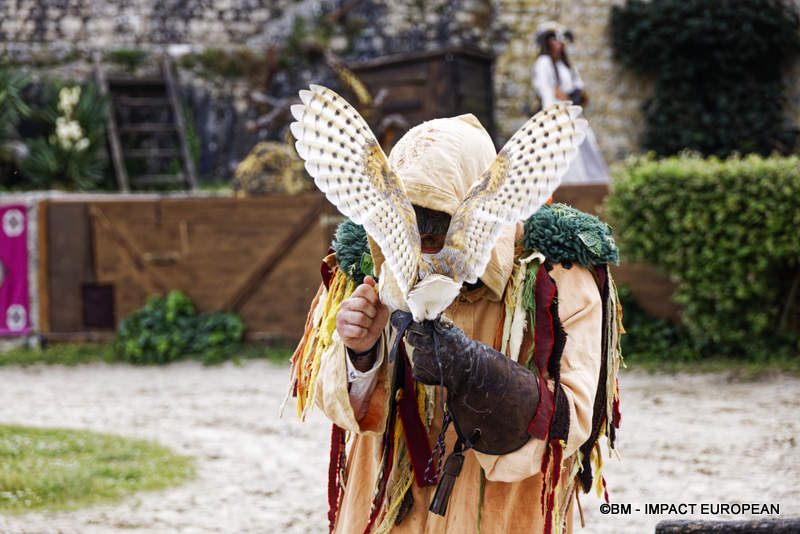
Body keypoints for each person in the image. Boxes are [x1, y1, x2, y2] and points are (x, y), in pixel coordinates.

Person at [289, 114, 622, 534]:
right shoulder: (372, 271)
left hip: (499, 515)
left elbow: (572, 422)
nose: (421, 249)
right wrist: (361, 354)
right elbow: (339, 406)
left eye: (438, 226)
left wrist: (477, 371)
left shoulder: (556, 281)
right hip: (389, 510)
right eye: (409, 228)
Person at [533, 21, 611, 184]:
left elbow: (577, 86)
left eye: (560, 40)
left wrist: (576, 97)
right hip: (556, 113)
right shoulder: (544, 63)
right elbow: (549, 91)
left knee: (585, 146)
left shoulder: (565, 65)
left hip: (572, 113)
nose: (559, 44)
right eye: (554, 40)